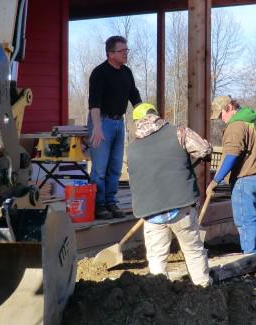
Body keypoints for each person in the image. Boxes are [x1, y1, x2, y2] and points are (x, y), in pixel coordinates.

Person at [128, 103, 212, 287]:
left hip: (150, 212)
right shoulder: (179, 133)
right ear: (156, 116)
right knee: (193, 251)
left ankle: (159, 298)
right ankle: (205, 292)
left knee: (156, 258)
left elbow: (134, 176)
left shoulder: (132, 148)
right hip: (181, 205)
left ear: (137, 122)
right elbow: (204, 150)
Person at [208, 96, 256, 257]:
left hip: (246, 178)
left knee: (245, 220)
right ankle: (253, 253)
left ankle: (250, 258)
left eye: (221, 115)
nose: (221, 120)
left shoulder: (236, 126)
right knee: (253, 217)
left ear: (229, 107)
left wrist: (216, 180)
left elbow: (231, 156)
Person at [88, 35, 142, 219]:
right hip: (102, 122)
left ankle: (111, 202)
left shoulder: (126, 72)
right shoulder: (99, 73)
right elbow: (94, 103)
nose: (126, 54)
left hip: (120, 123)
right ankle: (99, 205)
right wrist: (96, 127)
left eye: (127, 50)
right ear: (111, 54)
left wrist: (145, 116)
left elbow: (134, 96)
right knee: (100, 168)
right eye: (122, 51)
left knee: (116, 167)